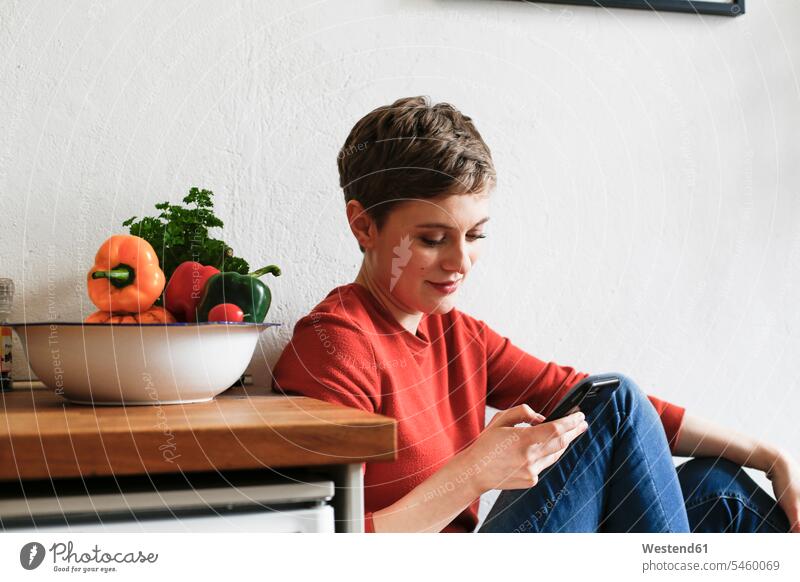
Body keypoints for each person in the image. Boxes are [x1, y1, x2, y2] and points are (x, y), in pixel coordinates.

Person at [271, 95, 800, 533]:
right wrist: (477, 470)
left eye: (476, 235)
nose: (460, 262)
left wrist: (771, 454)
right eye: (433, 240)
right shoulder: (334, 348)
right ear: (363, 226)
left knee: (716, 487)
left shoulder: (458, 336)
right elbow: (329, 547)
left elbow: (611, 411)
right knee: (614, 396)